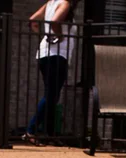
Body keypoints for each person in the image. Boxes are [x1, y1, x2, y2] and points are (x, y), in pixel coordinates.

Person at [25, 0, 77, 144]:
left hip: (44, 53)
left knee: (52, 95)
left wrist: (44, 35)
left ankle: (50, 134)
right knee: (51, 95)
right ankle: (31, 130)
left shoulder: (50, 3)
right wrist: (59, 36)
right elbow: (55, 22)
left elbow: (32, 21)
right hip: (57, 55)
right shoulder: (65, 3)